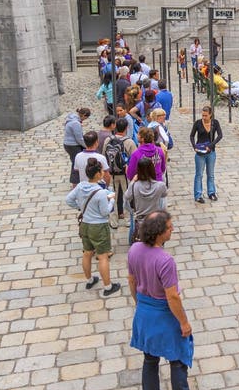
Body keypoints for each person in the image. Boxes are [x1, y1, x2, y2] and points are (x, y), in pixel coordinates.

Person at [128, 211, 202, 390]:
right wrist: (184, 322)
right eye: (170, 227)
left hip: (144, 310)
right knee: (177, 361)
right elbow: (172, 296)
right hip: (164, 314)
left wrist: (139, 304)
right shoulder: (165, 260)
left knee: (149, 359)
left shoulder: (134, 250)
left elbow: (131, 281)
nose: (173, 229)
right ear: (159, 233)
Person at [65, 157, 121, 297]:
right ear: (97, 174)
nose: (103, 172)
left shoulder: (80, 186)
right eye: (101, 170)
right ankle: (108, 287)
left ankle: (90, 279)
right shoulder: (101, 193)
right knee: (103, 257)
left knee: (87, 253)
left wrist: (81, 207)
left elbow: (69, 200)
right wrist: (112, 200)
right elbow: (105, 212)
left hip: (85, 225)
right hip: (99, 227)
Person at [103, 116, 136, 227]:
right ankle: (127, 220)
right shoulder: (129, 142)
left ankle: (113, 221)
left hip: (111, 172)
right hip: (124, 173)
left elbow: (104, 155)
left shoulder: (108, 140)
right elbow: (134, 159)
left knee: (112, 196)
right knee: (127, 196)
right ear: (126, 128)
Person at [125, 157, 167, 243]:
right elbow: (164, 195)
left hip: (141, 222)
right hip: (155, 221)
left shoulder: (134, 186)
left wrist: (133, 181)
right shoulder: (160, 186)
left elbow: (127, 196)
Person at [190, 105, 222, 204]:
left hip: (211, 152)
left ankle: (211, 192)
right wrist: (194, 146)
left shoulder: (215, 123)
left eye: (206, 115)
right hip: (200, 152)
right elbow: (192, 135)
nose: (204, 117)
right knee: (199, 174)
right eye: (203, 115)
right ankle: (198, 195)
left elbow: (220, 135)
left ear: (210, 115)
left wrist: (211, 145)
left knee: (210, 174)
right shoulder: (198, 123)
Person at [63, 107, 91, 184]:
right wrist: (86, 146)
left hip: (68, 144)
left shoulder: (71, 118)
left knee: (75, 161)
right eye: (86, 118)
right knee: (76, 163)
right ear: (84, 115)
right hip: (73, 145)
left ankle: (79, 179)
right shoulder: (76, 123)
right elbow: (79, 138)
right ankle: (75, 181)